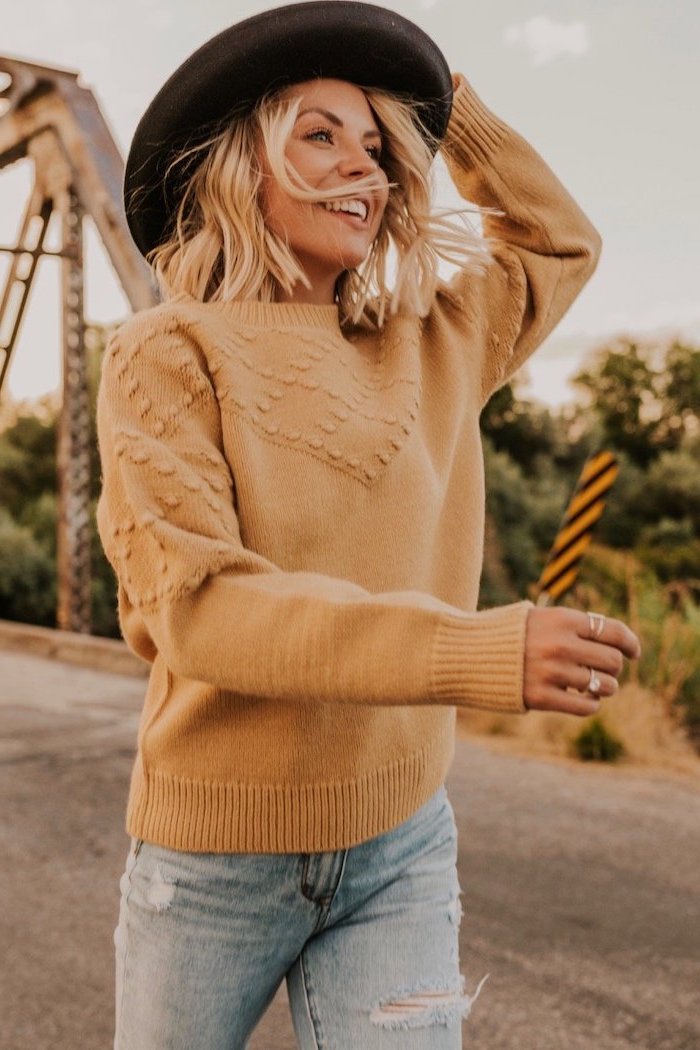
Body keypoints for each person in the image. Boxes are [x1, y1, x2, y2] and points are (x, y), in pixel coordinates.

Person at [96, 3, 641, 1047]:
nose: (367, 165)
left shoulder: (434, 341)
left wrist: (443, 103)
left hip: (401, 845)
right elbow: (203, 613)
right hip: (214, 862)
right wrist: (471, 648)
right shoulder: (166, 352)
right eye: (321, 134)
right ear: (241, 164)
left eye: (381, 144)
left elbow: (559, 240)